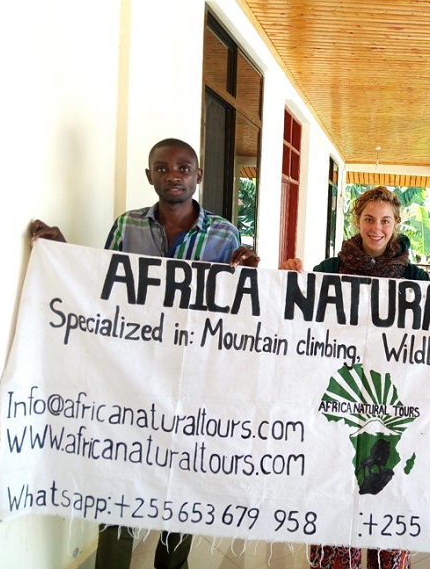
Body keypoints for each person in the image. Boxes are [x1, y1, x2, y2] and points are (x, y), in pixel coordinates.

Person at [30, 137, 259, 569]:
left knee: (183, 477)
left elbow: (234, 309)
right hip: (129, 376)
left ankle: (173, 564)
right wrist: (62, 253)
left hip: (191, 378)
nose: (173, 175)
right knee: (119, 473)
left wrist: (248, 274)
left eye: (183, 168)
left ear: (198, 175)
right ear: (149, 175)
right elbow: (102, 287)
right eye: (163, 168)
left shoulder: (224, 234)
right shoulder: (127, 226)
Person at [281, 186, 428, 569]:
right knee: (334, 490)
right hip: (337, 401)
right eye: (369, 219)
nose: (376, 228)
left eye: (385, 221)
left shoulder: (416, 277)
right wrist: (288, 282)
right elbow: (302, 322)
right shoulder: (329, 271)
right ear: (357, 221)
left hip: (392, 405)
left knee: (389, 496)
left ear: (396, 224)